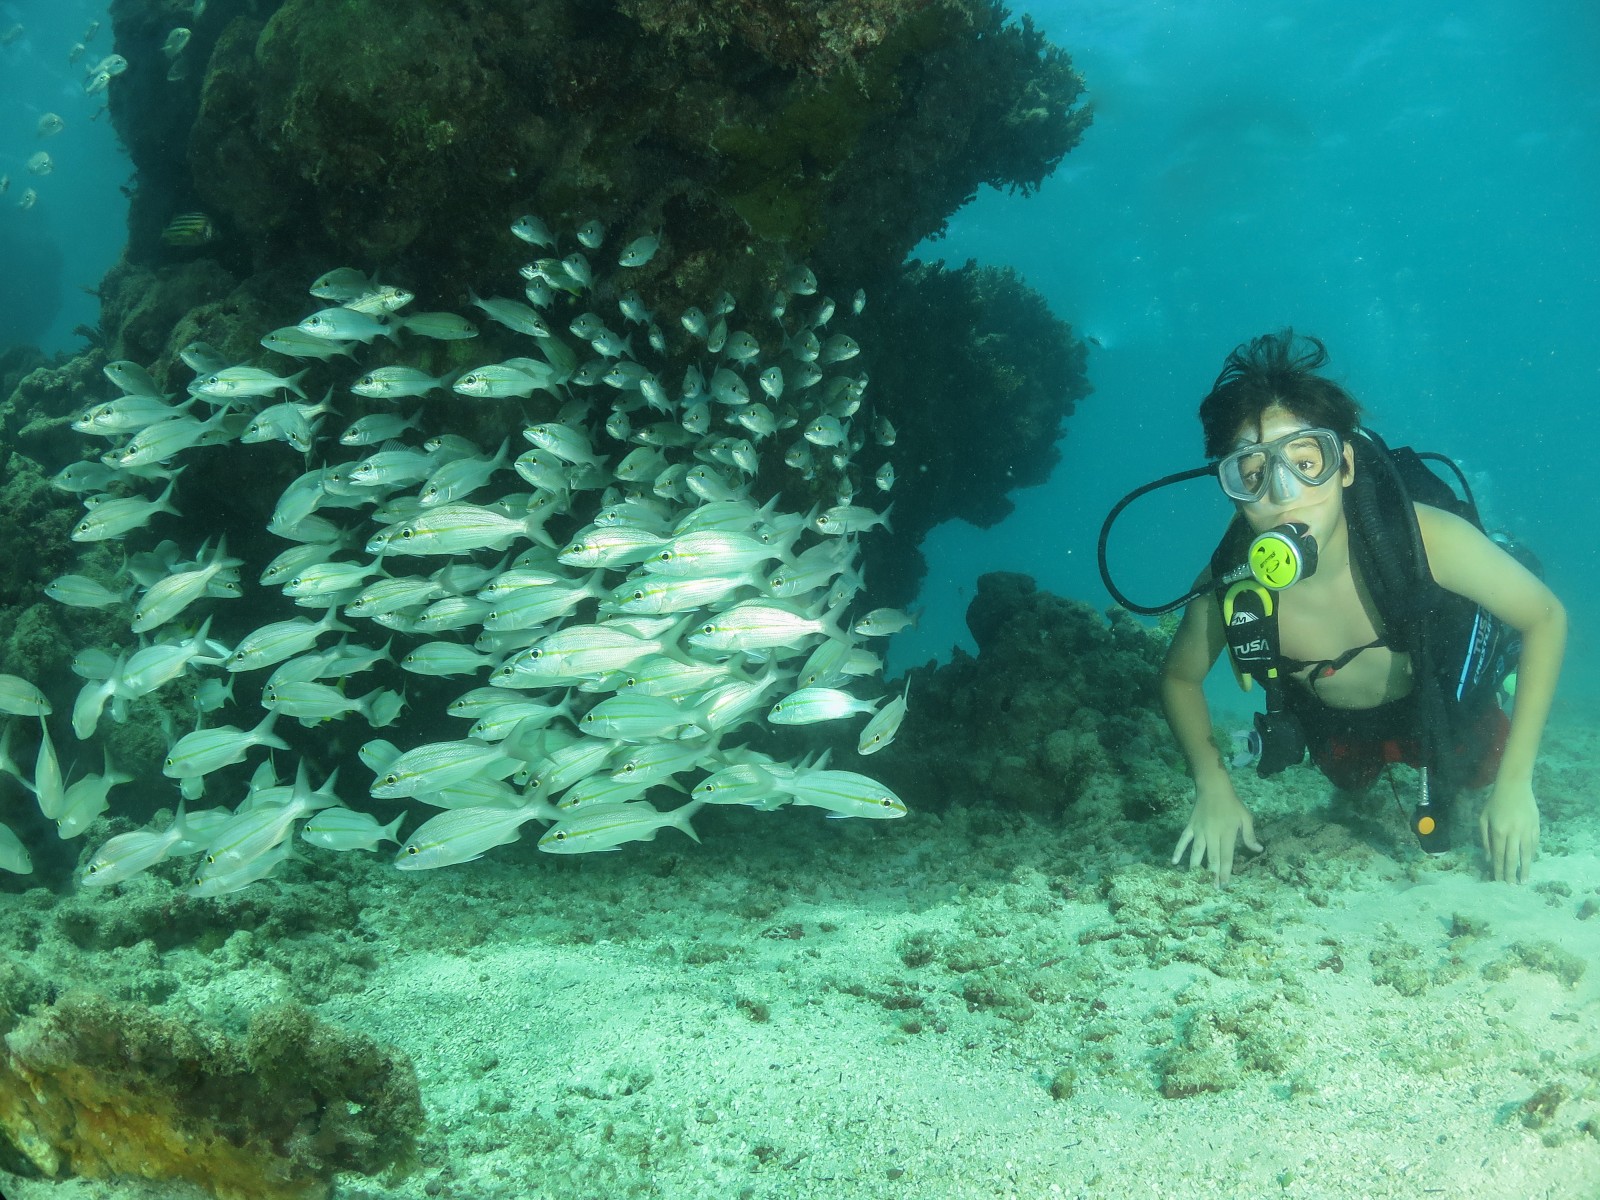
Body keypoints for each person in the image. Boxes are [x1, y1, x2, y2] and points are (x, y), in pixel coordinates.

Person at [1161, 330, 1564, 886]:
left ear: (1345, 466)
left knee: (1479, 766)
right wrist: (1212, 785)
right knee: (1349, 778)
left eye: (1307, 462)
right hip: (1342, 720)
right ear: (1233, 490)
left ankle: (1500, 606)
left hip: (1438, 695)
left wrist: (1517, 784)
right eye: (1252, 474)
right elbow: (1179, 678)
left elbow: (1545, 617)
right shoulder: (1231, 583)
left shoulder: (1424, 540)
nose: (1283, 494)